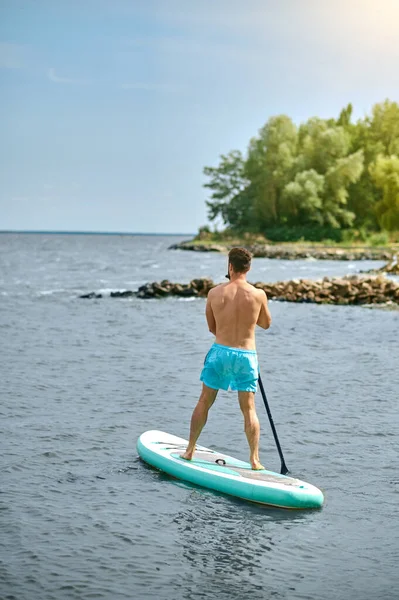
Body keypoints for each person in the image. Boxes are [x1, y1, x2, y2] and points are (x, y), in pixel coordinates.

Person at [182, 247, 272, 470]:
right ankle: (254, 459)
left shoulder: (214, 293)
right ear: (248, 268)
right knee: (249, 409)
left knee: (204, 400)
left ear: (230, 266)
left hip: (220, 351)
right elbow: (266, 323)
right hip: (246, 355)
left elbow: (212, 327)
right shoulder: (258, 294)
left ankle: (190, 450)